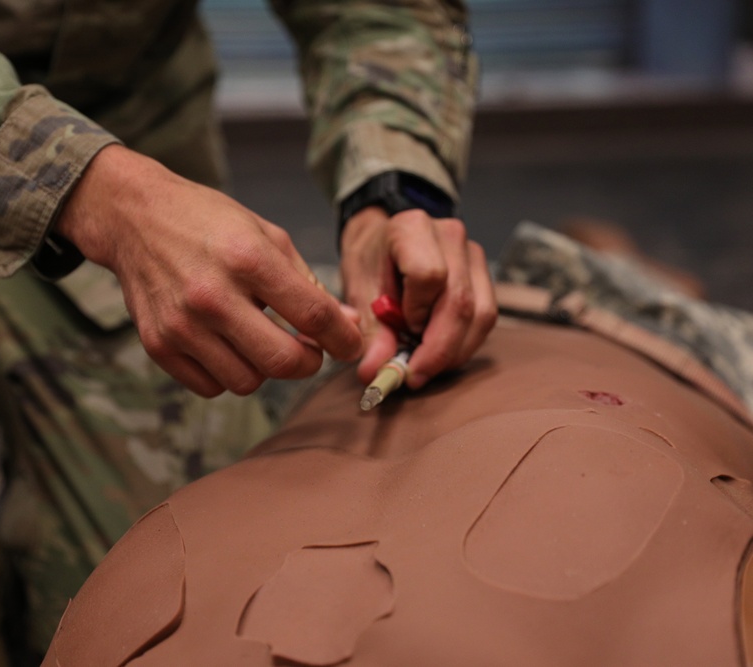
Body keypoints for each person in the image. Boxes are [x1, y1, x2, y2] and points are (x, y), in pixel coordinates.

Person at [0, 0, 496, 664]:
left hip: (127, 134)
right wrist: (99, 191)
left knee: (170, 597)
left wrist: (390, 189)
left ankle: (2, 552)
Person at [41, 222, 753, 666]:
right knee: (632, 287)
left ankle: (600, 258)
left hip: (403, 360)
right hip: (656, 357)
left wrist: (387, 198)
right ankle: (609, 259)